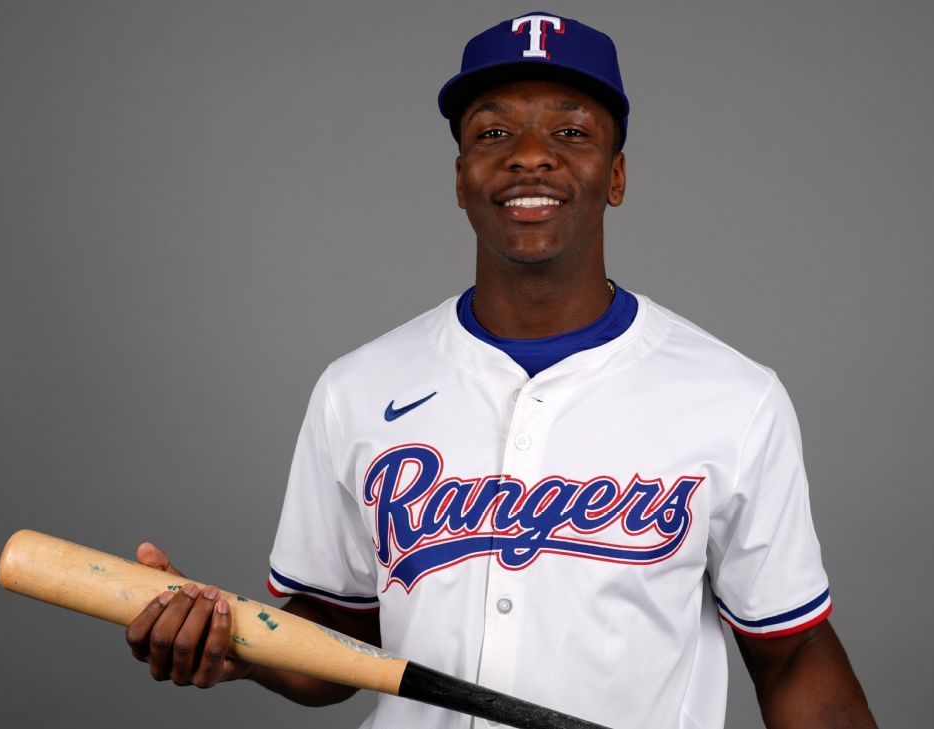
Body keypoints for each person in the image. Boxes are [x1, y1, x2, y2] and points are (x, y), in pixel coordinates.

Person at [123, 12, 876, 729]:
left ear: (616, 176)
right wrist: (236, 644)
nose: (530, 154)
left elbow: (792, 651)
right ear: (461, 179)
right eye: (494, 132)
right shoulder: (356, 388)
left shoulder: (734, 399)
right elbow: (338, 633)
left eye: (571, 131)